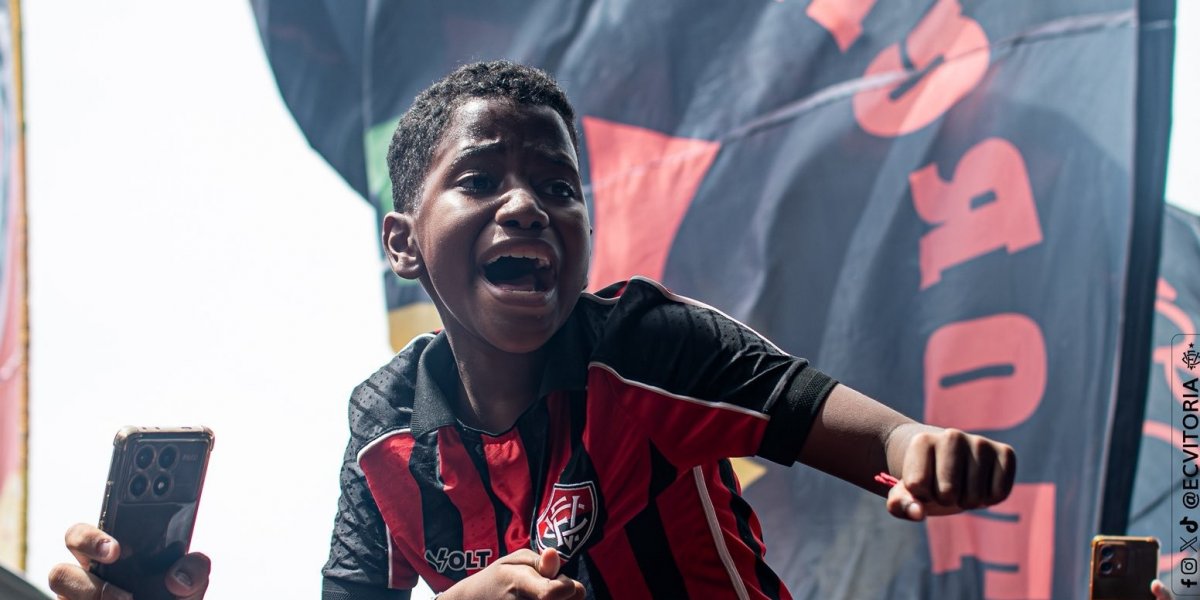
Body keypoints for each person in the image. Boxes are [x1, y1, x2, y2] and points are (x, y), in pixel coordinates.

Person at [52, 60, 1058, 600]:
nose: (530, 207)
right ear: (403, 243)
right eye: (482, 180)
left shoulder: (649, 342)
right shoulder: (384, 423)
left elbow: (873, 437)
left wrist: (923, 453)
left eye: (560, 187)